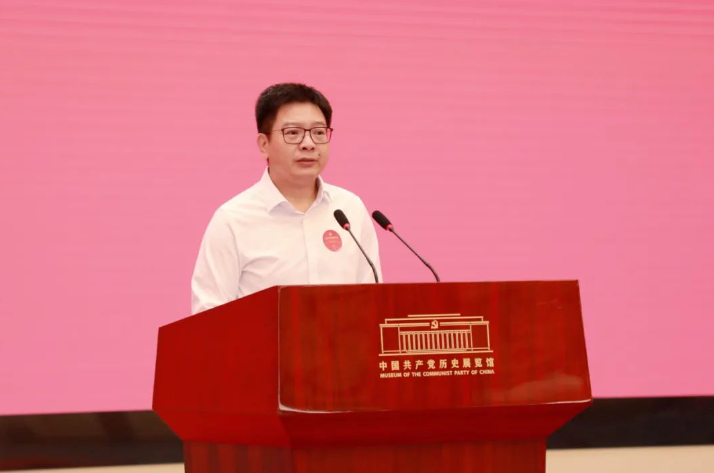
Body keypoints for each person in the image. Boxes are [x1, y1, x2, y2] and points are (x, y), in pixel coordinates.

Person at [191, 83, 382, 314]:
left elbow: (373, 302)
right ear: (264, 145)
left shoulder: (350, 209)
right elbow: (208, 314)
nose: (308, 144)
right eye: (293, 133)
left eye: (318, 133)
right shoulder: (232, 220)